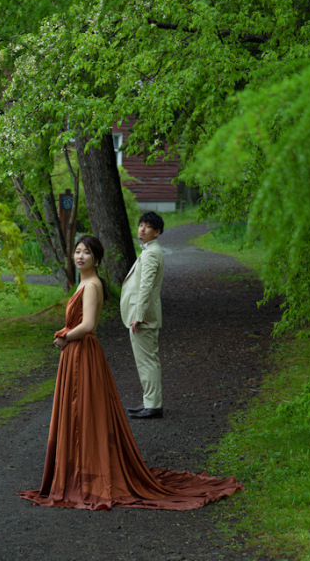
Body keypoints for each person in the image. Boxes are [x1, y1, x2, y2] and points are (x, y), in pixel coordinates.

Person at [17, 234, 241, 510]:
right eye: (77, 252)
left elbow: (88, 325)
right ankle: (79, 470)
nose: (80, 256)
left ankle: (85, 476)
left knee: (84, 411)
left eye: (86, 253)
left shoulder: (92, 286)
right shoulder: (84, 283)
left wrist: (64, 336)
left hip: (81, 352)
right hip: (76, 353)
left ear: (97, 259)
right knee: (80, 413)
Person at [120, 211, 165, 419]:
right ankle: (150, 401)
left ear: (157, 232)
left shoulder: (152, 253)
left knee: (147, 361)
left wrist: (138, 315)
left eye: (147, 227)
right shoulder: (149, 251)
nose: (142, 229)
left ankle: (153, 405)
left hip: (144, 318)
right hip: (144, 316)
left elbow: (146, 287)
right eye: (141, 225)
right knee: (147, 360)